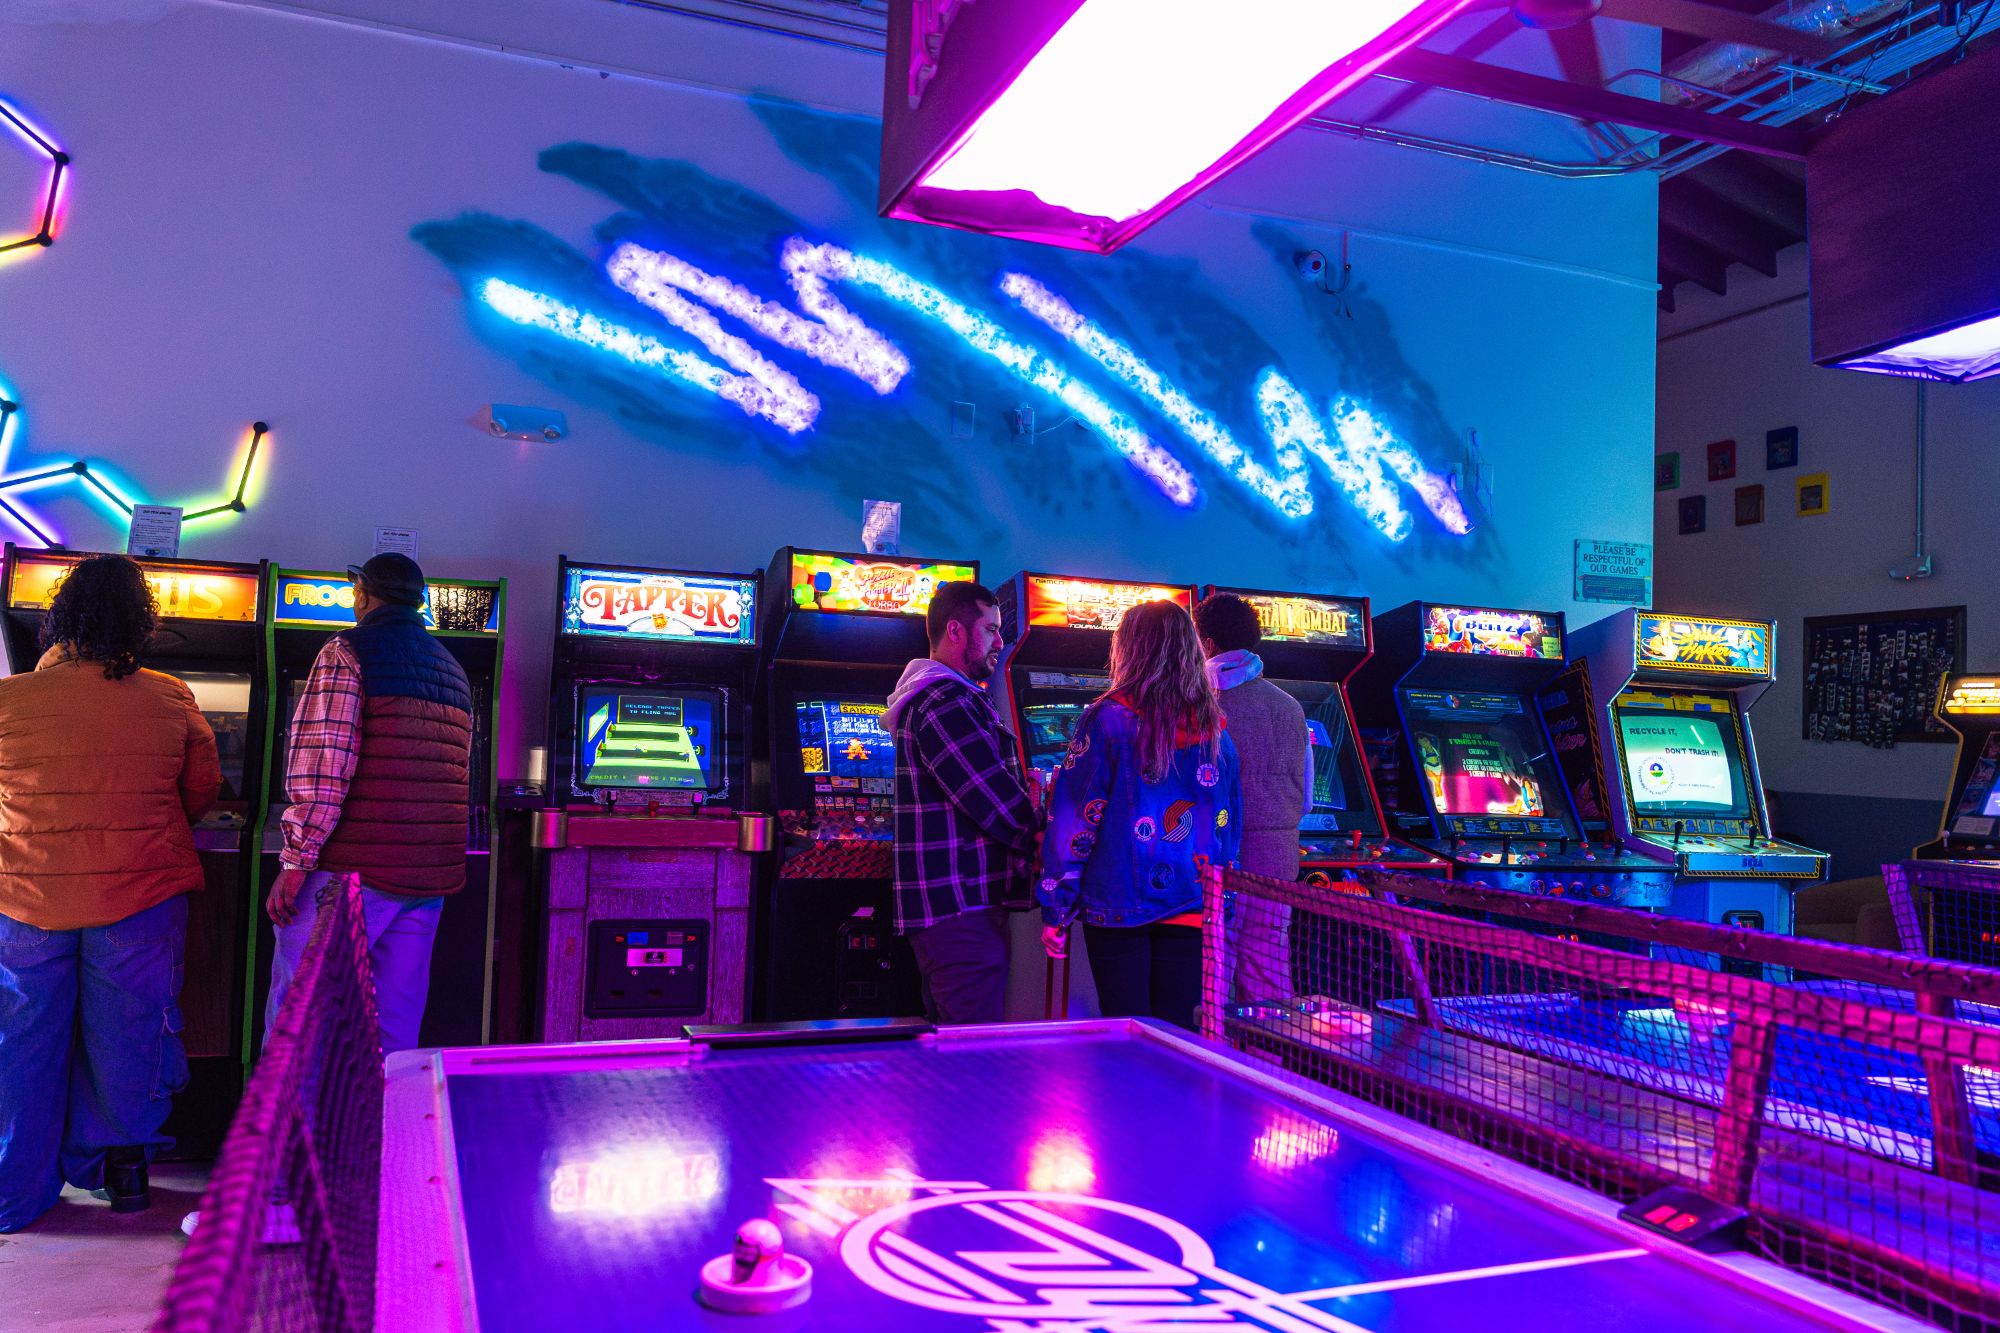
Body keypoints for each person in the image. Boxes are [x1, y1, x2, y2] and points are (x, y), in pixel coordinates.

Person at [0, 555, 220, 1229]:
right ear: (140, 622)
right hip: (140, 893)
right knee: (127, 1041)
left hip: (24, 896)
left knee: (21, 1043)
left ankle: (14, 1193)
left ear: (55, 623)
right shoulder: (171, 695)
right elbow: (203, 789)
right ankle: (120, 1174)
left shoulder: (7, 701)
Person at [264, 553, 473, 1054]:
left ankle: (292, 1133)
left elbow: (323, 766)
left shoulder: (347, 651)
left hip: (352, 874)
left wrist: (295, 861)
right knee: (393, 1030)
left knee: (302, 1025)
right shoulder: (453, 667)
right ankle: (388, 1132)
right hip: (426, 877)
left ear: (361, 594)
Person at [1038, 599, 1240, 1029]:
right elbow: (1228, 827)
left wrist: (1056, 904)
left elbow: (1075, 821)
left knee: (1128, 1035)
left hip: (1120, 903)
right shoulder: (1216, 730)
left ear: (1129, 650)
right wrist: (1221, 901)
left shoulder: (1108, 721)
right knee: (1175, 1037)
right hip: (1193, 900)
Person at [885, 581, 1041, 1024]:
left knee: (950, 1044)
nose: (1000, 641)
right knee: (972, 1054)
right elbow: (995, 801)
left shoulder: (941, 695)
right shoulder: (944, 700)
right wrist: (1054, 833)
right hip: (958, 905)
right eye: (990, 629)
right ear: (956, 631)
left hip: (954, 906)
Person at [1194, 592, 1308, 1003]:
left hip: (1218, 853)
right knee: (1267, 970)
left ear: (1206, 645)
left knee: (1213, 971)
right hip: (1278, 853)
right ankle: (1269, 1063)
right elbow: (1308, 797)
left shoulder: (1199, 702)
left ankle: (1212, 1064)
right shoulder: (1291, 706)